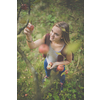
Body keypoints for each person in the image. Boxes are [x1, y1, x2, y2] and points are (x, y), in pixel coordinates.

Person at [24, 21, 72, 90]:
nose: (52, 35)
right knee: (47, 70)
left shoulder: (66, 47)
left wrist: (56, 63)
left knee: (61, 75)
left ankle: (61, 82)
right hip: (47, 61)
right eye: (52, 31)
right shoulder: (47, 37)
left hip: (59, 65)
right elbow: (32, 46)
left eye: (56, 34)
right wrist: (28, 36)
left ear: (62, 37)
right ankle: (47, 75)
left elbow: (68, 61)